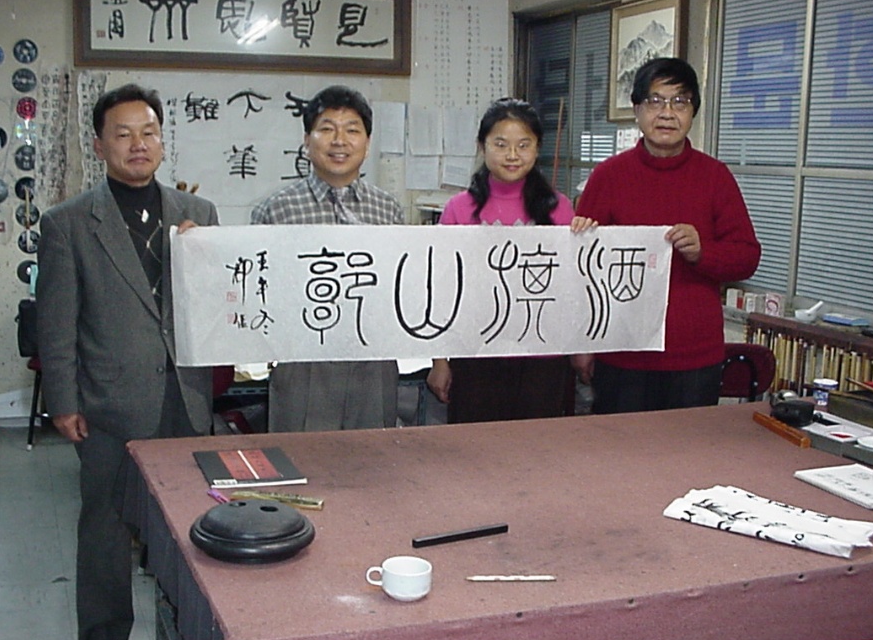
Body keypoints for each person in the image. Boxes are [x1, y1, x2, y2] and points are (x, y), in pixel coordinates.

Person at [36, 84, 219, 640]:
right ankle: (101, 637)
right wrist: (63, 401)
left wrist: (205, 258)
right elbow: (56, 323)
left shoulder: (200, 214)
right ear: (99, 145)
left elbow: (221, 304)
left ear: (163, 141)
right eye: (123, 134)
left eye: (149, 132)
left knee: (191, 524)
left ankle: (192, 628)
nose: (138, 144)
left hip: (185, 398)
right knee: (106, 525)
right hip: (109, 405)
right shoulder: (67, 223)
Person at [571, 57, 761, 413]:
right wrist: (583, 342)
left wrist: (703, 252)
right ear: (637, 110)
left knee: (687, 448)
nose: (667, 113)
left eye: (680, 102)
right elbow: (581, 268)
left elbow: (747, 256)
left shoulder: (715, 177)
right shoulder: (608, 176)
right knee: (617, 446)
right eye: (655, 101)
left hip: (693, 356)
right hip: (621, 349)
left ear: (693, 112)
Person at [425, 98, 592, 423]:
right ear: (482, 146)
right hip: (475, 354)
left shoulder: (558, 208)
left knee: (536, 445)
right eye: (501, 144)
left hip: (543, 356)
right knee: (476, 446)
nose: (512, 155)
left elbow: (573, 286)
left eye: (523, 145)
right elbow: (441, 289)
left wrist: (581, 345)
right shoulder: (458, 209)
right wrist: (439, 360)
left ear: (537, 148)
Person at [251, 85, 404, 432]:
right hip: (302, 366)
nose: (340, 141)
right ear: (307, 141)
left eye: (352, 130)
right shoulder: (275, 209)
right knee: (300, 459)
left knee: (373, 457)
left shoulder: (388, 209)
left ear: (367, 143)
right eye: (327, 129)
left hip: (373, 364)